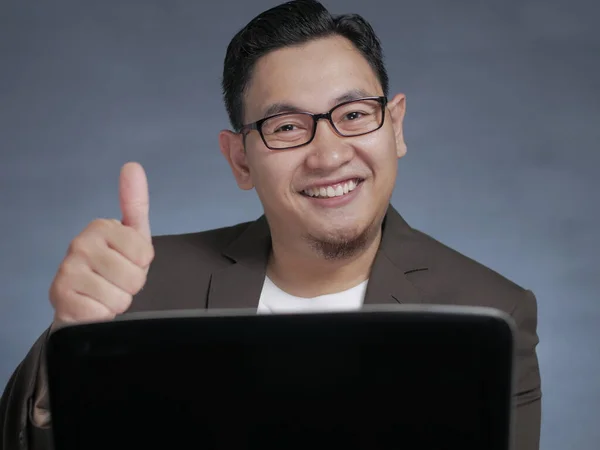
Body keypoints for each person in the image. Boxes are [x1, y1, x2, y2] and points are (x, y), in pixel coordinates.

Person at [0, 0, 541, 449]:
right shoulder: (139, 286)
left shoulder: (492, 314)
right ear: (240, 159)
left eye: (354, 114)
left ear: (394, 126)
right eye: (286, 126)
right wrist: (66, 345)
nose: (328, 156)